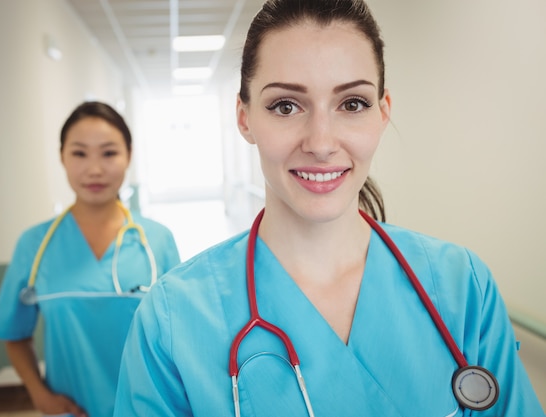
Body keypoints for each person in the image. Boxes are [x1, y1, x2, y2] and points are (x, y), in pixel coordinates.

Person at [112, 0, 545, 416]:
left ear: (382, 112)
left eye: (352, 104)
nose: (321, 142)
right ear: (244, 118)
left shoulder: (462, 288)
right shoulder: (174, 322)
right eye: (286, 106)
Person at [0, 101, 181, 417]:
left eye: (108, 153)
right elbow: (13, 334)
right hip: (71, 410)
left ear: (129, 156)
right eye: (79, 153)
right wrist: (39, 395)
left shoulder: (156, 241)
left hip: (148, 407)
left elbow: (177, 336)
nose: (94, 169)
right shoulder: (35, 245)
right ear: (62, 157)